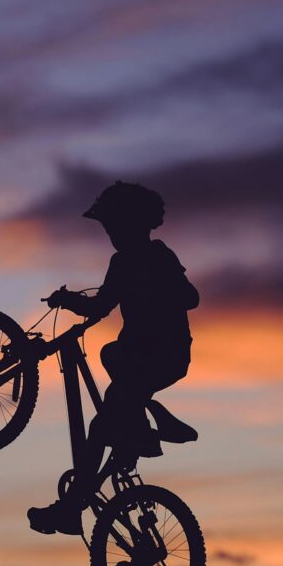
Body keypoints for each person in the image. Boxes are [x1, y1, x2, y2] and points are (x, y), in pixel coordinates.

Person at [27, 181, 199, 536]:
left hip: (165, 354)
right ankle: (132, 442)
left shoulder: (158, 256)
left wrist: (155, 288)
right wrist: (69, 300)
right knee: (112, 362)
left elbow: (190, 297)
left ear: (134, 223)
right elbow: (100, 306)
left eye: (114, 226)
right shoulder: (120, 263)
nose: (111, 235)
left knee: (101, 423)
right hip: (135, 357)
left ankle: (71, 509)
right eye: (108, 229)